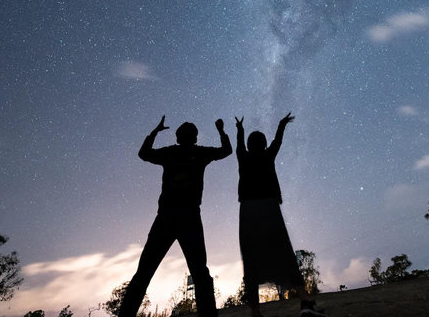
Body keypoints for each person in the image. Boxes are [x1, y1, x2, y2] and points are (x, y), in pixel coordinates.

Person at [119, 115, 232, 317]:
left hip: (167, 215)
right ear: (195, 138)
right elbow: (226, 151)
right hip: (188, 215)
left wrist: (154, 132)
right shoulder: (200, 153)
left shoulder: (169, 153)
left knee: (145, 271)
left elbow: (143, 154)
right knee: (199, 272)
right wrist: (221, 131)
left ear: (178, 138)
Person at [234, 113, 323, 317]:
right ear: (264, 145)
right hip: (269, 207)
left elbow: (239, 145)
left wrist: (240, 129)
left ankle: (256, 312)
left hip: (248, 210)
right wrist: (282, 124)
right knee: (283, 250)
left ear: (249, 145)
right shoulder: (267, 156)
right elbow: (277, 141)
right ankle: (305, 301)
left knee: (250, 256)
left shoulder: (243, 157)